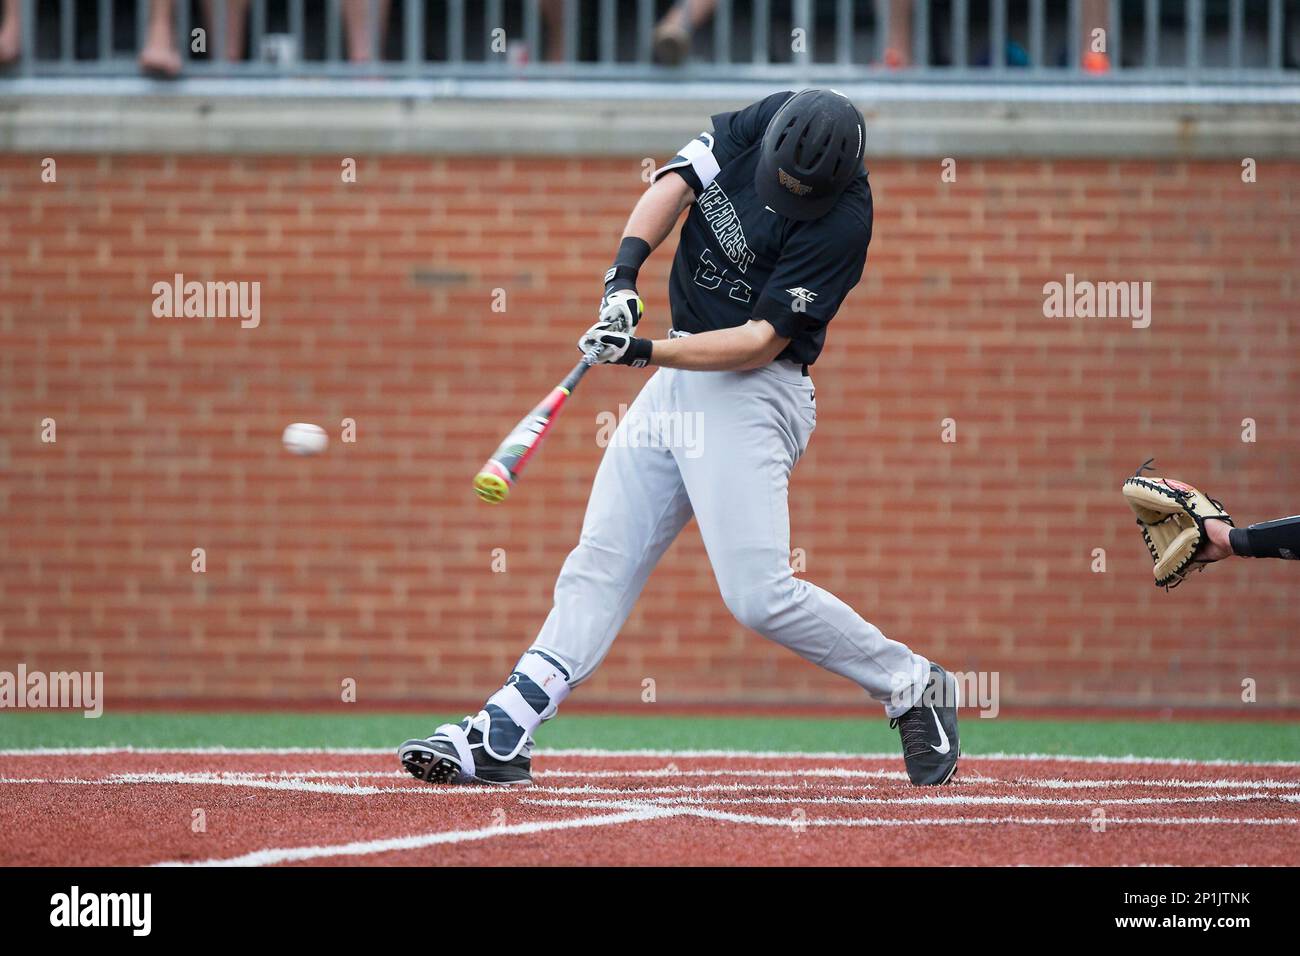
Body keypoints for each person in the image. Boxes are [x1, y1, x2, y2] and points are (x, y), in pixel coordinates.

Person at [399, 89, 961, 789]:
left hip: (753, 392)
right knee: (599, 559)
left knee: (759, 596)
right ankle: (504, 729)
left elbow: (759, 343)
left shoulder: (843, 224)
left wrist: (641, 352)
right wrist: (621, 278)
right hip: (680, 375)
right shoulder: (768, 118)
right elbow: (677, 180)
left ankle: (913, 685)